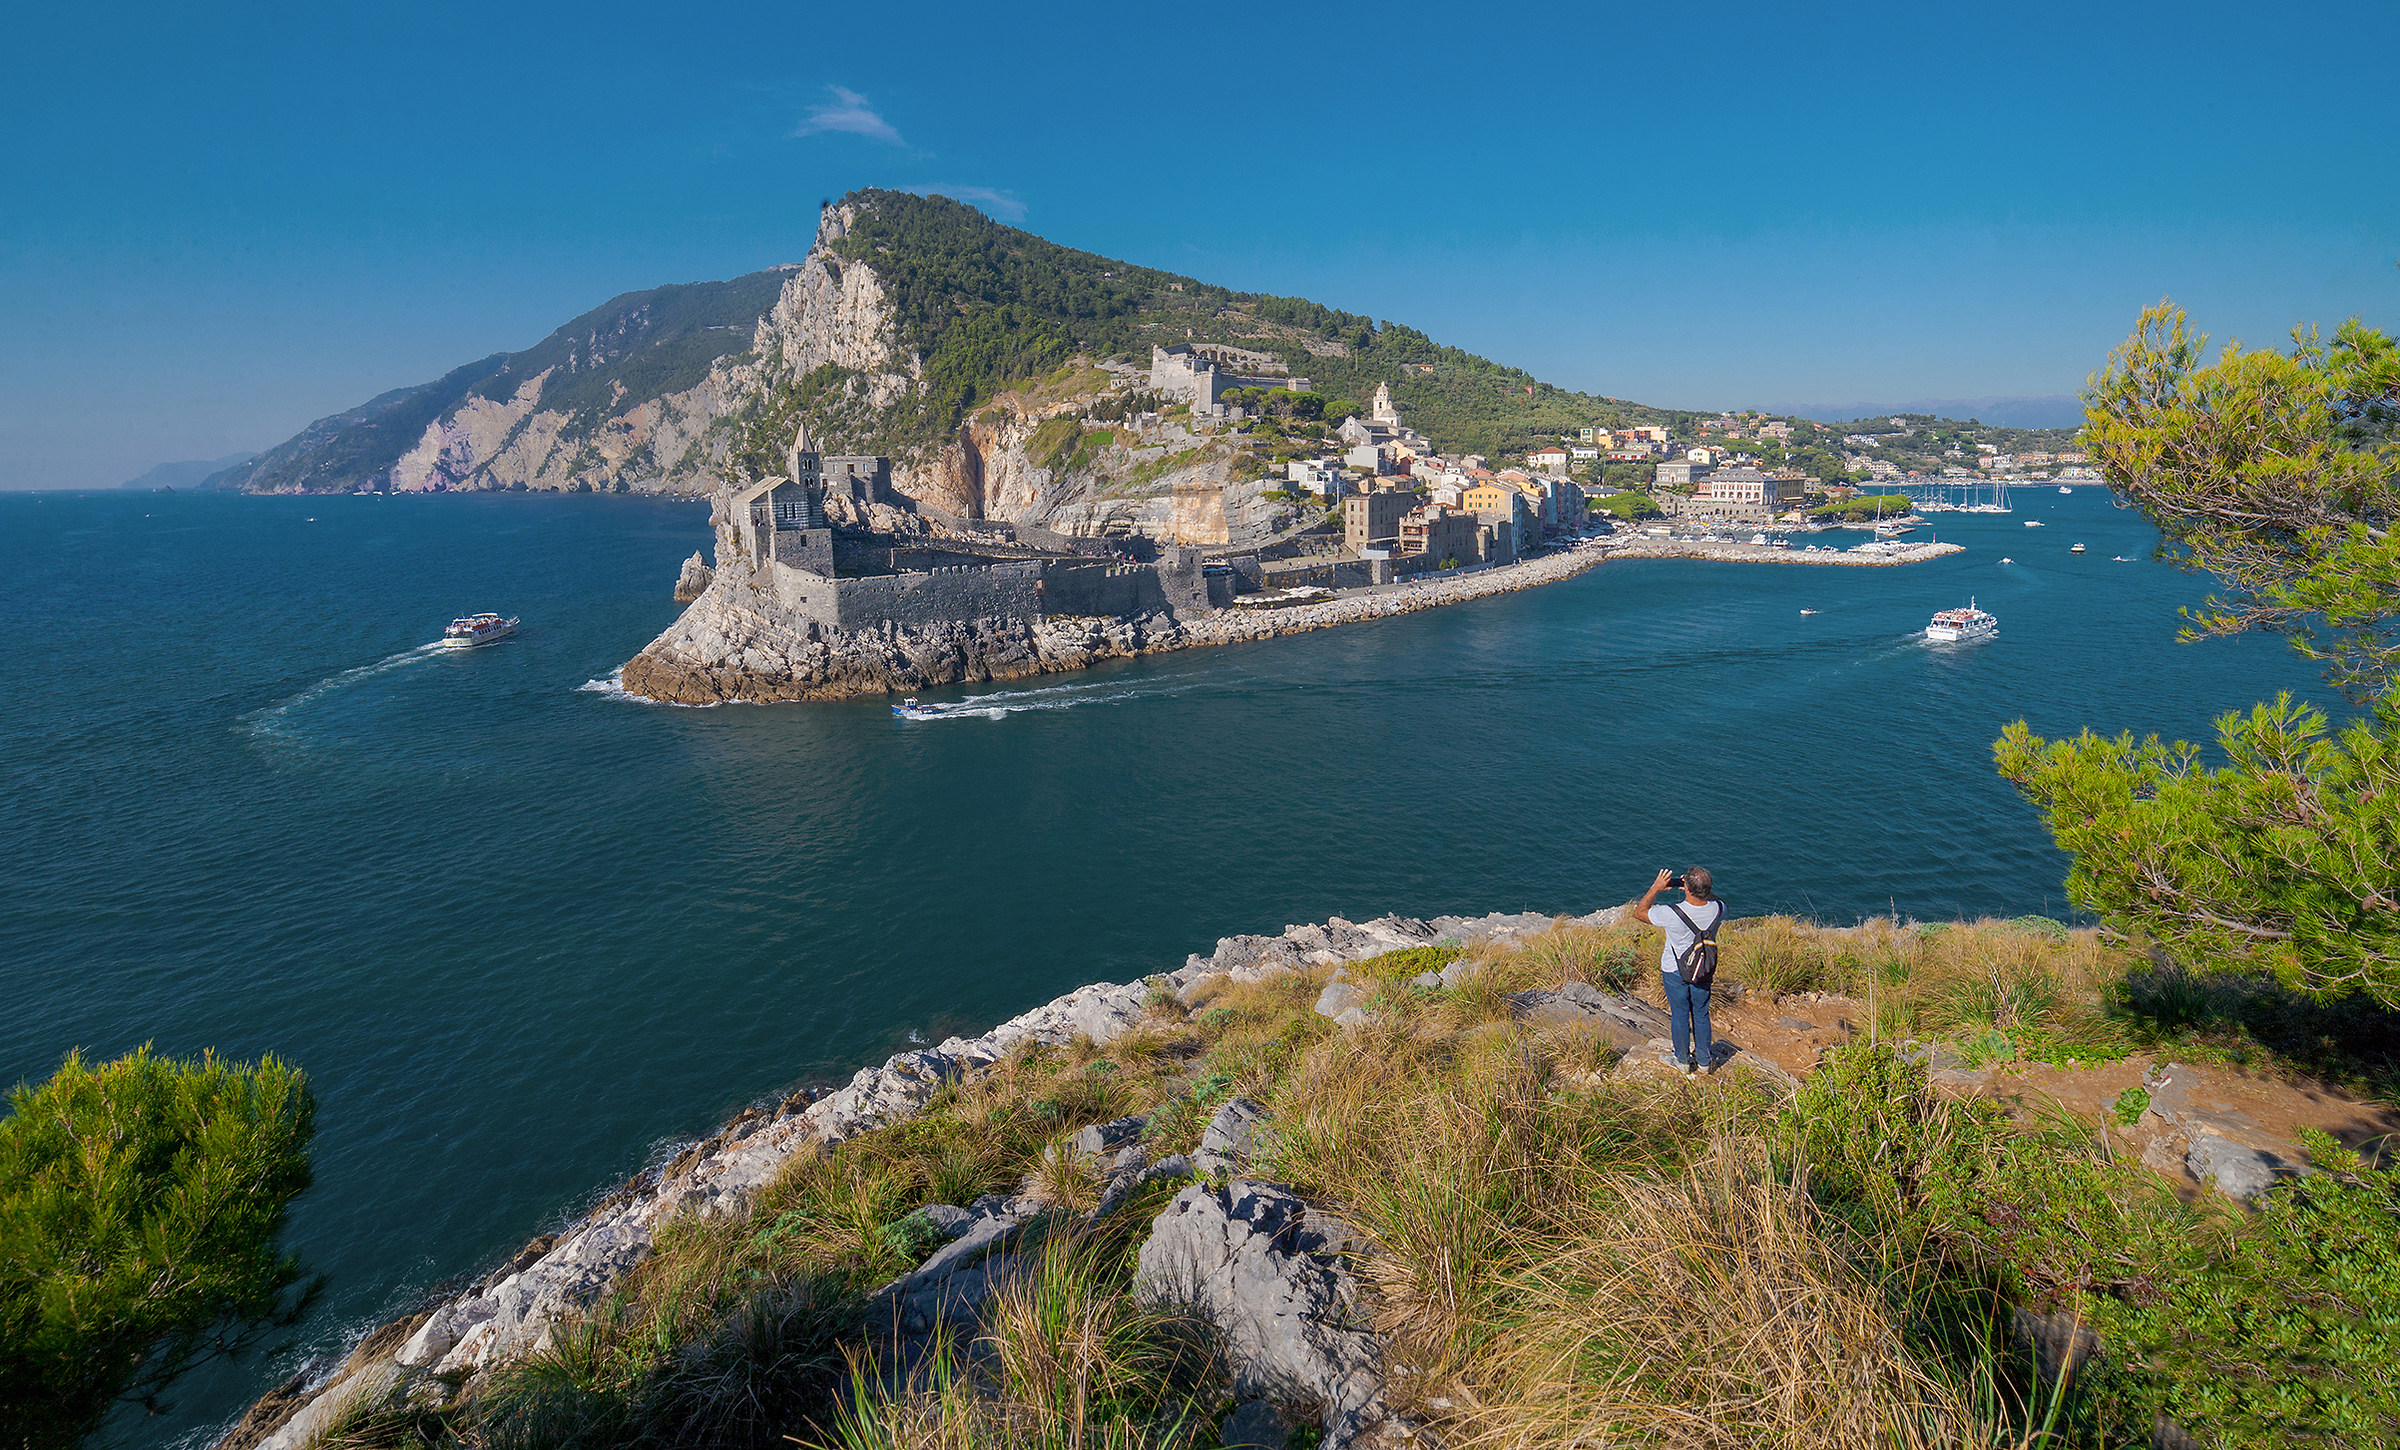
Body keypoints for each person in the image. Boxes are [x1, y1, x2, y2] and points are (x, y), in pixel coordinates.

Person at [1637, 866, 1724, 1075]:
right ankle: (1704, 1061)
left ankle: (1683, 1061)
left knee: (1680, 1015)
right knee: (1701, 1013)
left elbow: (1639, 912)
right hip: (1703, 969)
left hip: (1674, 970)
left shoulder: (1671, 912)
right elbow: (1715, 899)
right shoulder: (1719, 909)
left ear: (1686, 888)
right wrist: (1698, 888)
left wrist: (1656, 888)